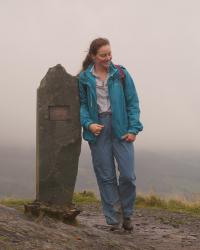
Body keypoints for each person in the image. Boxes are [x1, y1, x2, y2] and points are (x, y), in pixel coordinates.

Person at [78, 37, 143, 231]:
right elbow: (81, 105)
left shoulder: (121, 73)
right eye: (103, 55)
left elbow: (132, 102)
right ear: (93, 56)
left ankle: (127, 214)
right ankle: (114, 219)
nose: (108, 58)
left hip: (121, 127)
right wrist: (89, 124)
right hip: (98, 129)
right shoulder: (84, 78)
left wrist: (133, 128)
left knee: (128, 176)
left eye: (110, 54)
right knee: (106, 176)